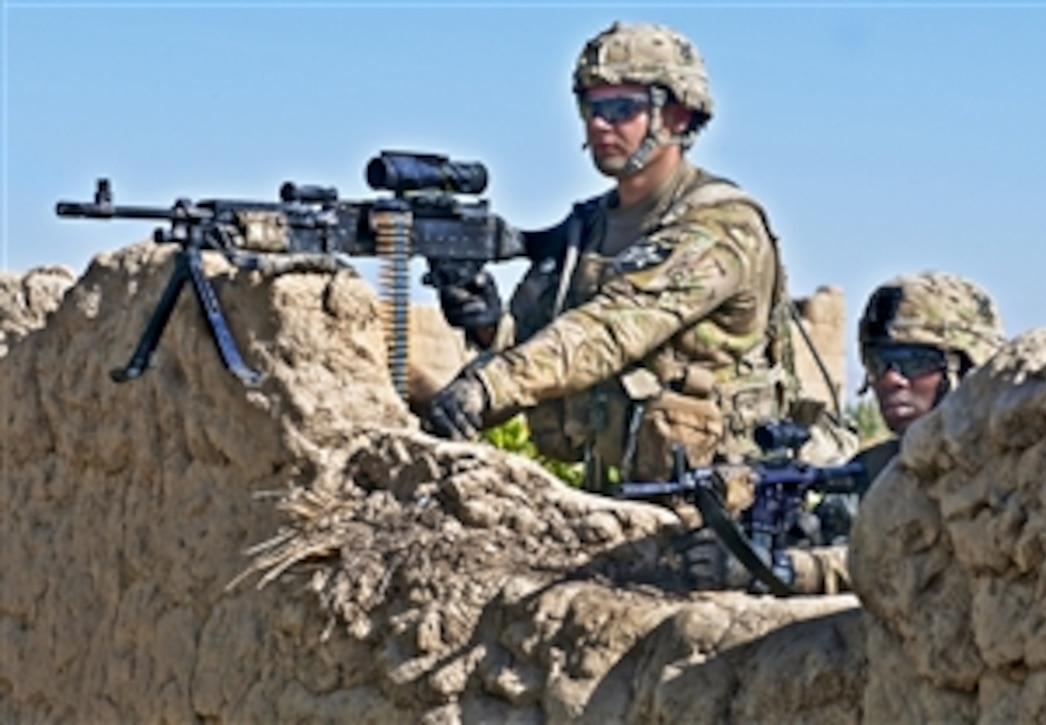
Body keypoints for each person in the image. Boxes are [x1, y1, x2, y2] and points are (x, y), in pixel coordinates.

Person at [427, 20, 809, 492]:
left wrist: (488, 388)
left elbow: (612, 329)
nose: (601, 123)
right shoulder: (587, 228)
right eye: (592, 106)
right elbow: (538, 343)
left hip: (718, 515)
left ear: (679, 116)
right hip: (612, 499)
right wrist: (487, 323)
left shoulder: (721, 227)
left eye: (623, 107)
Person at [813, 270, 1007, 545]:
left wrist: (816, 570)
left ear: (966, 369)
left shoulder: (1008, 473)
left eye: (915, 361)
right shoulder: (872, 471)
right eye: (877, 362)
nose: (890, 379)